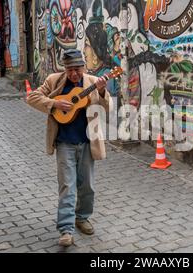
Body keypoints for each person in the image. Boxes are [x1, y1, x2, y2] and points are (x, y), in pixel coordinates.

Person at [27, 49, 113, 247]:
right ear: (64, 68)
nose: (74, 74)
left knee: (87, 185)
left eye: (77, 69)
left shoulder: (92, 81)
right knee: (67, 185)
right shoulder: (54, 80)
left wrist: (101, 91)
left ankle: (82, 217)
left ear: (83, 67)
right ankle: (66, 229)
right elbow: (32, 97)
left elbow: (107, 106)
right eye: (70, 69)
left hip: (87, 141)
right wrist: (54, 103)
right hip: (64, 142)